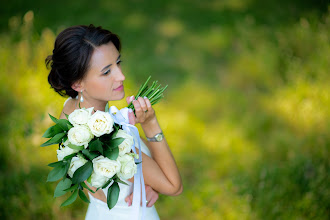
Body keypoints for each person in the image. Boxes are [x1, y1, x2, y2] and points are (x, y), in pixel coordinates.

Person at [46, 24, 183, 219]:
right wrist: (150, 124)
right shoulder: (111, 138)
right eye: (106, 72)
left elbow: (91, 185)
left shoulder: (71, 112)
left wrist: (147, 182)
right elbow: (173, 186)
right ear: (77, 83)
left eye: (118, 63)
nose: (121, 76)